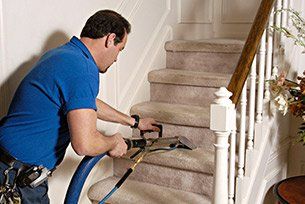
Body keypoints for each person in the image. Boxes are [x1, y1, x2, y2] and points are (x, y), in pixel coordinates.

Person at [0, 10, 159, 203]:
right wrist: (113, 141)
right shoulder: (82, 68)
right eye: (120, 49)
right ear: (110, 39)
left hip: (9, 166)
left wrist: (134, 122)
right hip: (15, 177)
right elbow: (85, 144)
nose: (117, 58)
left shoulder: (65, 55)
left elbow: (85, 102)